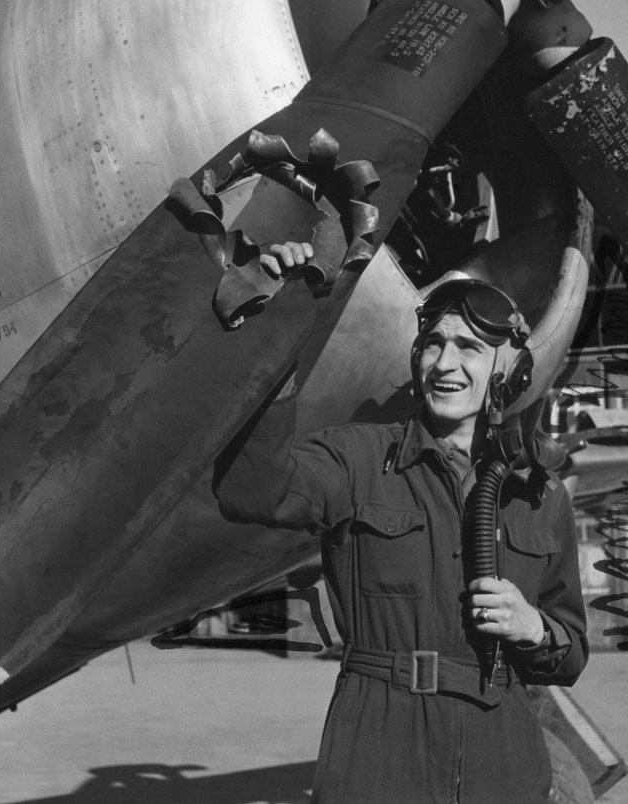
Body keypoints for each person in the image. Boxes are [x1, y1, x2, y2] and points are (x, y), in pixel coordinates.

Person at [214, 243, 588, 803]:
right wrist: (280, 330)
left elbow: (573, 651)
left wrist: (534, 627)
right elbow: (252, 493)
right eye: (432, 344)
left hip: (502, 758)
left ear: (507, 369)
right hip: (379, 751)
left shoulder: (540, 494)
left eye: (468, 347)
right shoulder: (357, 459)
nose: (444, 363)